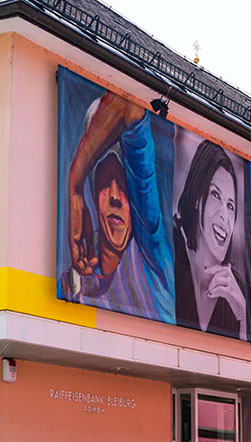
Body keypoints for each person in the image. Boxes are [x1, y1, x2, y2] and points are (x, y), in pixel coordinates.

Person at [61, 92, 174, 323]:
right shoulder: (72, 283)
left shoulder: (151, 256)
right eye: (104, 179)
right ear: (94, 190)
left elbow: (129, 106)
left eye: (123, 184)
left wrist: (75, 184)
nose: (115, 196)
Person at [174, 140, 246, 340]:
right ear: (197, 197)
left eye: (230, 206)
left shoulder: (235, 289)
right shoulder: (171, 250)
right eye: (215, 194)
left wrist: (243, 315)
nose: (225, 216)